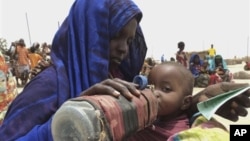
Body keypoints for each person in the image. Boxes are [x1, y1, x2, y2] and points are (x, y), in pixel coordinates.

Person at [0, 0, 249, 141]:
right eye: (115, 36)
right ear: (90, 30)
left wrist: (194, 104)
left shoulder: (115, 76)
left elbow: (143, 115)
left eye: (129, 41)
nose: (124, 50)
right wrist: (68, 122)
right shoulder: (52, 84)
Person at [128, 62, 228, 141]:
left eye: (166, 89)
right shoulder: (151, 118)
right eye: (150, 86)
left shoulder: (178, 132)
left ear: (185, 102)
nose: (154, 93)